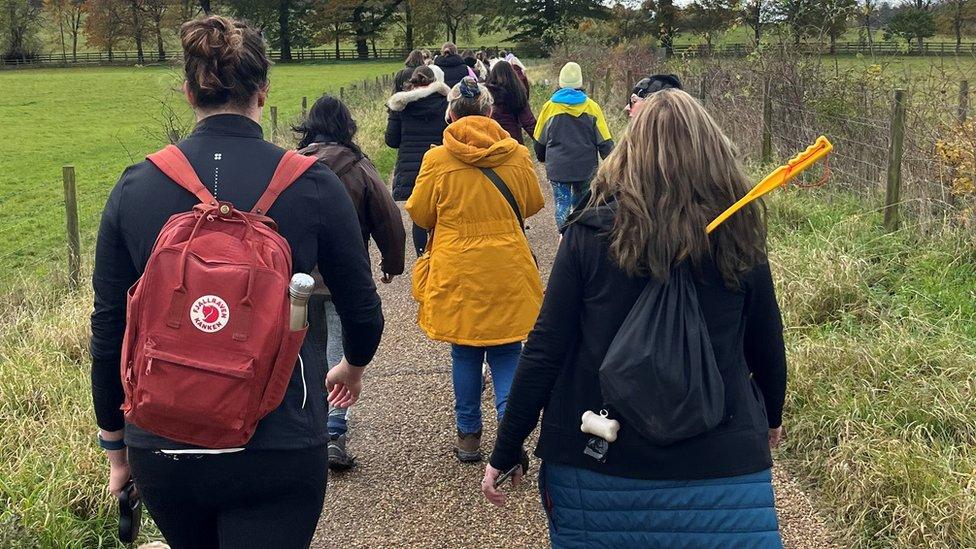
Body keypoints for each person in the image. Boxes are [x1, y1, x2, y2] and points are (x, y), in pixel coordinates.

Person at [89, 16, 384, 547]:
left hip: (164, 440)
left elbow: (109, 328)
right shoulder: (313, 183)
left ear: (188, 92)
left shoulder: (135, 187)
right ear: (264, 93)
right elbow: (362, 310)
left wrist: (116, 446)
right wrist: (351, 366)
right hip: (280, 438)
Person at [483, 89, 787, 548]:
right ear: (714, 152)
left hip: (599, 457)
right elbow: (766, 345)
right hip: (721, 455)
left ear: (629, 152)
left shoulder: (588, 235)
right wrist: (771, 418)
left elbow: (545, 349)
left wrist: (507, 449)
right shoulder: (738, 235)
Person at [406, 77, 544, 463]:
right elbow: (532, 203)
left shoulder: (436, 159)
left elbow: (420, 212)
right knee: (507, 352)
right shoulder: (515, 154)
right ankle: (509, 435)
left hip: (458, 270)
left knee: (465, 353)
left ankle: (468, 437)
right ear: (488, 113)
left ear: (450, 114)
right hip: (507, 268)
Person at [294, 95, 406, 470]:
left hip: (298, 281)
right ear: (347, 126)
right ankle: (334, 431)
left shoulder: (291, 167)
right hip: (344, 278)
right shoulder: (358, 167)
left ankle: (306, 428)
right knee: (340, 355)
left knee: (305, 351)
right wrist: (391, 262)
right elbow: (389, 218)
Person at [534, 62, 613, 229]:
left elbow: (539, 139)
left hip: (558, 168)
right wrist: (613, 164)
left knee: (561, 204)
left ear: (560, 83)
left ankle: (563, 236)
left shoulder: (550, 107)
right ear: (580, 83)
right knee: (582, 205)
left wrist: (542, 157)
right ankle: (578, 237)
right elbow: (605, 141)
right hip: (585, 168)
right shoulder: (592, 107)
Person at [385, 66, 450, 256]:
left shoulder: (401, 106)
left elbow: (392, 140)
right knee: (443, 214)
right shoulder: (446, 102)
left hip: (412, 169)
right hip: (441, 166)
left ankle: (422, 258)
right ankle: (443, 257)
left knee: (419, 218)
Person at [485, 60, 536, 144]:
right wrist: (541, 142)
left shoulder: (486, 94)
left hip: (491, 138)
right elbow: (528, 122)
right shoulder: (517, 93)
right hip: (512, 138)